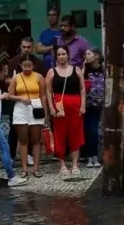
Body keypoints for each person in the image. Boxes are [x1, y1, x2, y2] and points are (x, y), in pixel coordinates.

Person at [7, 36, 47, 167]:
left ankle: (30, 155)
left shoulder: (39, 64)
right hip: (17, 102)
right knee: (14, 130)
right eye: (24, 47)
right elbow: (6, 79)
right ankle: (11, 155)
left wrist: (45, 110)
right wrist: (11, 82)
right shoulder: (13, 62)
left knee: (33, 132)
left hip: (34, 103)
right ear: (20, 47)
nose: (26, 49)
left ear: (33, 47)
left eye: (29, 47)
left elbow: (43, 87)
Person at [45, 45, 85, 176]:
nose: (61, 57)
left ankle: (75, 164)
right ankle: (62, 164)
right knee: (59, 135)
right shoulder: (51, 72)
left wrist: (83, 105)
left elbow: (82, 89)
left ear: (68, 55)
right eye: (59, 55)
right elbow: (48, 91)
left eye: (63, 54)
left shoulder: (76, 70)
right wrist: (51, 108)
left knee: (75, 134)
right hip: (59, 107)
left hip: (75, 106)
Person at [81, 47, 104, 168]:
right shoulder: (85, 70)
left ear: (96, 56)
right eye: (85, 54)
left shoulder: (104, 70)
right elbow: (80, 85)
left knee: (94, 131)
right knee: (87, 130)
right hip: (86, 105)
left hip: (99, 105)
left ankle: (94, 155)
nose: (86, 56)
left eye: (89, 54)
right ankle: (88, 156)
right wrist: (83, 68)